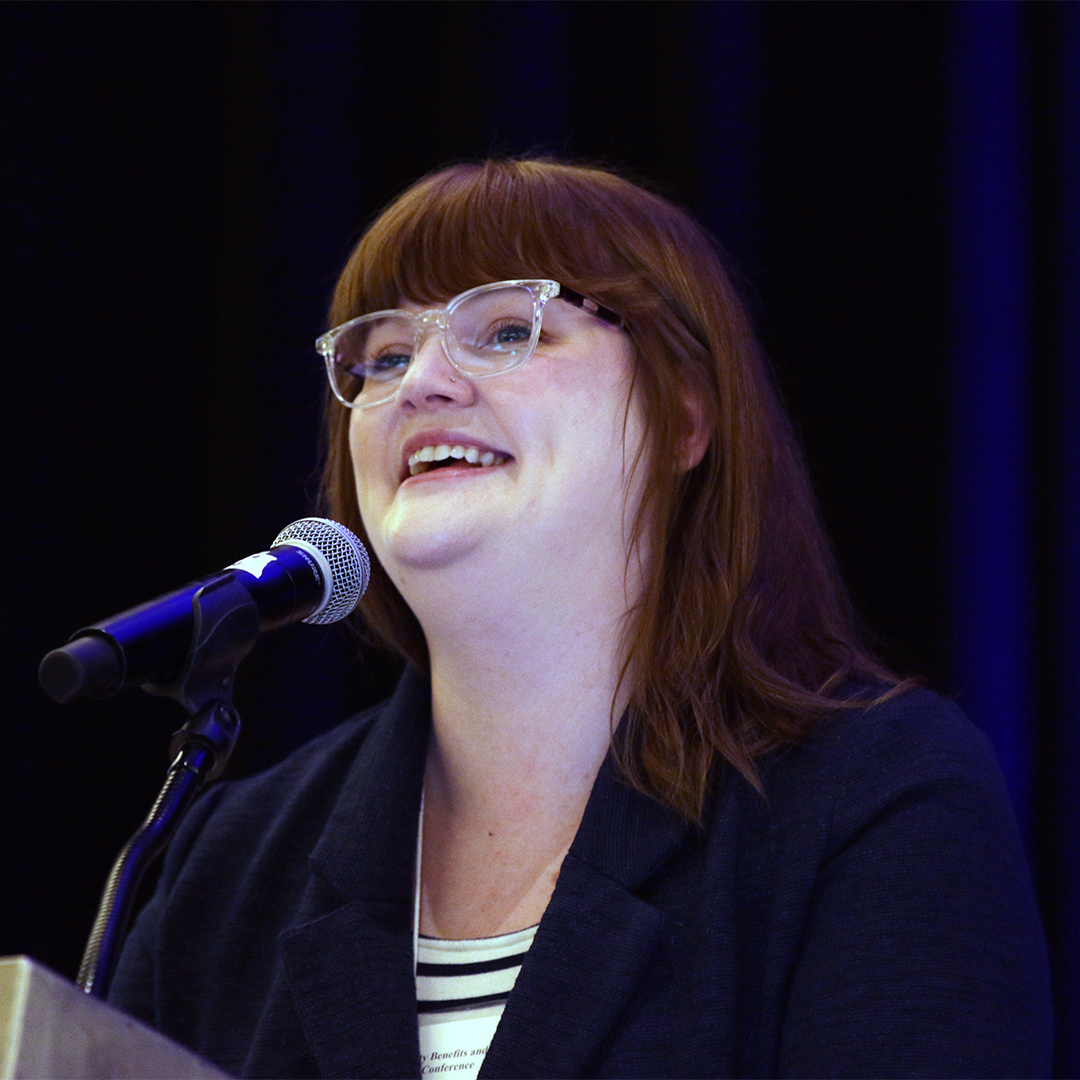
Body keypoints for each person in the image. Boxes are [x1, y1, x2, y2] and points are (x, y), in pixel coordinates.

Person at [108, 158, 1052, 1078]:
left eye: (510, 328)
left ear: (685, 415)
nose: (420, 383)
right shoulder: (224, 864)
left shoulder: (875, 800)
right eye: (385, 354)